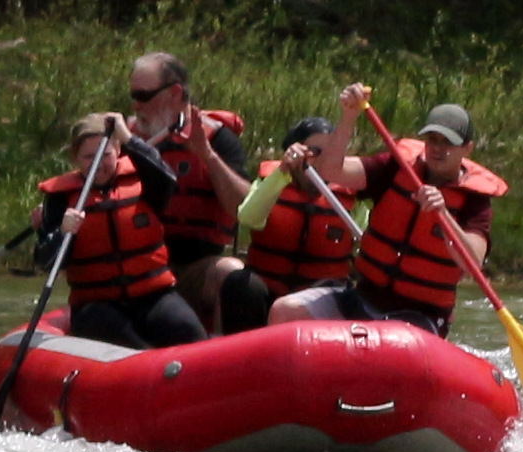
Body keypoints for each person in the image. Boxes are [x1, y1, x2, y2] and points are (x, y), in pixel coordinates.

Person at [270, 84, 506, 338]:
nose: (438, 148)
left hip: (420, 315)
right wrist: (348, 117)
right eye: (433, 140)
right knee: (285, 310)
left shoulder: (474, 200)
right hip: (363, 296)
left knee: (387, 342)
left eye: (448, 142)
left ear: (467, 149)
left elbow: (472, 263)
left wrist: (444, 214)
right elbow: (330, 172)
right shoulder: (396, 167)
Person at [34, 113, 208, 350]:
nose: (99, 164)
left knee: (189, 331)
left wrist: (128, 138)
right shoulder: (60, 199)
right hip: (97, 305)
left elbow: (167, 178)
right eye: (88, 157)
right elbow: (44, 261)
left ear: (118, 151)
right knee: (127, 342)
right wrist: (64, 233)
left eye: (105, 155)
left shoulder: (145, 181)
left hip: (152, 296)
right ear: (75, 158)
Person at [126, 52, 250, 331]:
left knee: (233, 275)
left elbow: (243, 208)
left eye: (143, 96)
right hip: (137, 268)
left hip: (195, 267)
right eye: (133, 95)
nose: (136, 105)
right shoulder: (125, 137)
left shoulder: (217, 137)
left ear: (175, 93)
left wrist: (208, 157)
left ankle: (222, 358)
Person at [218, 116, 359, 334]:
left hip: (318, 298)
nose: (322, 161)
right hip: (268, 289)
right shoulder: (273, 181)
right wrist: (282, 173)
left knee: (340, 294)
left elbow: (366, 245)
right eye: (314, 152)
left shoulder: (349, 197)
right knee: (240, 285)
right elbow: (247, 217)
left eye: (331, 153)